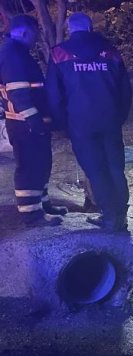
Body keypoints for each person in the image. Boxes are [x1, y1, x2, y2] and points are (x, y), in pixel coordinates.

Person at [46, 12, 132, 232]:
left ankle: (110, 217)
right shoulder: (110, 51)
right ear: (90, 27)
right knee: (115, 167)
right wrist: (119, 116)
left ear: (69, 29)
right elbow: (126, 89)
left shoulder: (59, 54)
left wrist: (64, 124)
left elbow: (54, 96)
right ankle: (121, 215)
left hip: (80, 123)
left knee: (95, 171)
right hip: (110, 120)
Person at [0, 15, 67, 227]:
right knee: (29, 165)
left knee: (41, 163)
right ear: (24, 32)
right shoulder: (12, 54)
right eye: (35, 33)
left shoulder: (17, 52)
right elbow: (18, 93)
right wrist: (33, 119)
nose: (36, 37)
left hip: (29, 121)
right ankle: (31, 214)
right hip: (23, 123)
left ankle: (41, 203)